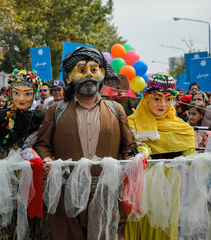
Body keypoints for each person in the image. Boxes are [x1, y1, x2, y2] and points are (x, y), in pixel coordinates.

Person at [35, 47, 136, 240]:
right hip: (66, 192)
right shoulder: (56, 110)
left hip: (107, 192)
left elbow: (128, 146)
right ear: (69, 77)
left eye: (94, 70)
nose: (89, 75)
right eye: (81, 70)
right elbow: (43, 145)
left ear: (102, 75)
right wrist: (47, 159)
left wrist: (130, 163)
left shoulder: (116, 110)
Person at [126, 73, 196, 240]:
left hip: (170, 188)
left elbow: (190, 158)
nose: (162, 104)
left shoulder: (183, 128)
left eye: (168, 99)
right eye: (157, 99)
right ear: (147, 98)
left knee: (165, 229)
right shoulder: (131, 123)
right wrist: (141, 150)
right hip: (140, 189)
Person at [0, 69, 45, 239]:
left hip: (30, 174)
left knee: (30, 221)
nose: (21, 98)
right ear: (10, 93)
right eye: (16, 93)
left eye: (27, 93)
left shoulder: (41, 117)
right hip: (3, 175)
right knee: (4, 218)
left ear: (34, 94)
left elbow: (45, 144)